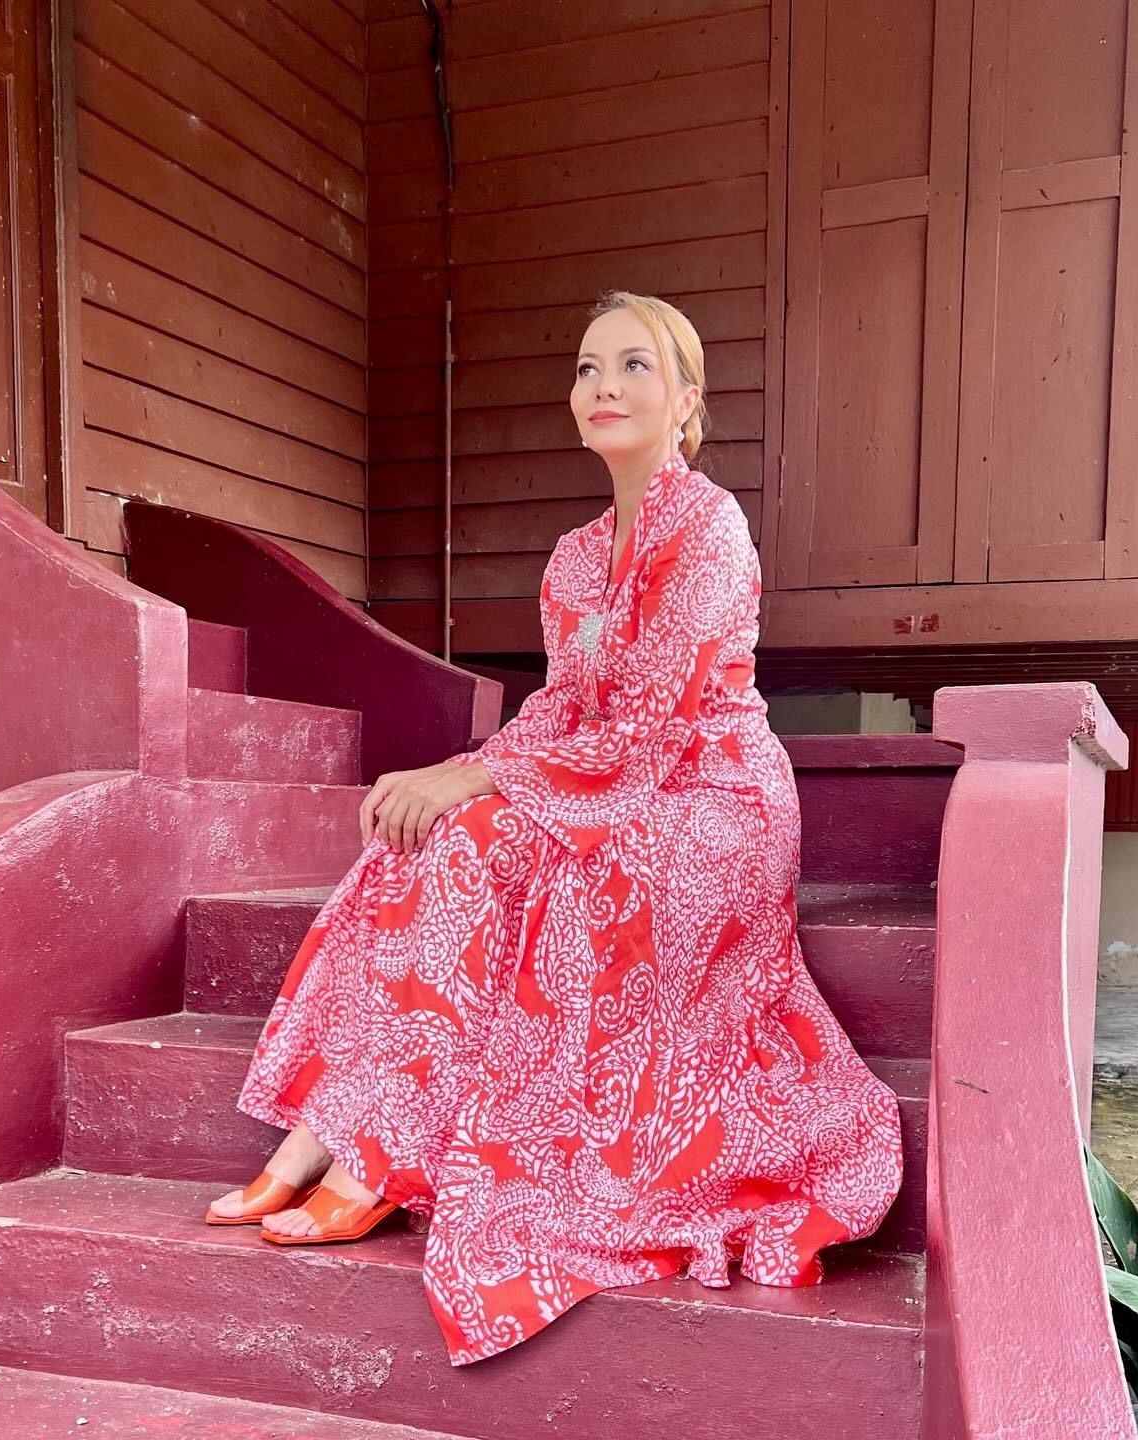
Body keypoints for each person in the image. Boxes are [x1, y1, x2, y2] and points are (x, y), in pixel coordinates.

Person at [206, 289, 905, 1367]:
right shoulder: (574, 556)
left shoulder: (709, 527)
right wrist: (453, 776)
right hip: (605, 774)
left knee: (524, 856)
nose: (603, 387)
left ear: (686, 401)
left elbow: (651, 722)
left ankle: (372, 1159)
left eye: (633, 366)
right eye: (587, 368)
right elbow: (561, 713)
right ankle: (335, 1130)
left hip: (711, 797)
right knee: (435, 840)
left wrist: (477, 781)